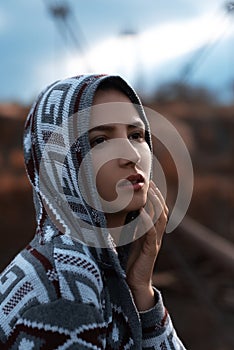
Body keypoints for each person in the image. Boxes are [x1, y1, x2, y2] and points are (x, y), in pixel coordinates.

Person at [0, 74, 186, 349]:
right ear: (61, 162)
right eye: (100, 140)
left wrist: (141, 292)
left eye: (136, 135)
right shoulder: (65, 288)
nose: (132, 155)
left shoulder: (96, 261)